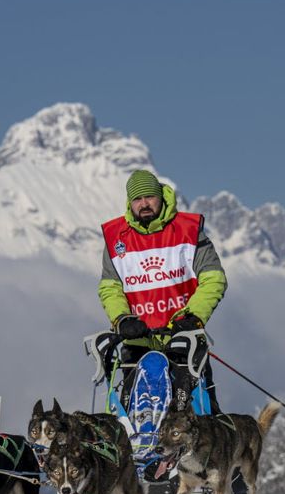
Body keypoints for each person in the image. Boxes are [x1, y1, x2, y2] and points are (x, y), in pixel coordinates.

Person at [97, 169, 227, 414]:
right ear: (129, 202)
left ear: (161, 196)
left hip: (184, 340)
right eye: (137, 199)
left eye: (149, 197)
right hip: (138, 343)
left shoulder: (188, 230)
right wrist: (121, 319)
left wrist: (194, 317)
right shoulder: (115, 238)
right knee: (135, 419)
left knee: (200, 417)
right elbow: (110, 287)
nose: (144, 204)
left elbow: (214, 278)